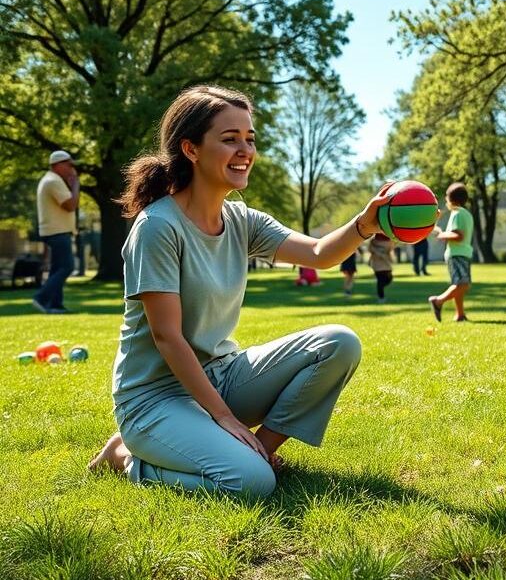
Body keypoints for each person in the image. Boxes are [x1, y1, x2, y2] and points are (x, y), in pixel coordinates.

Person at [87, 85, 391, 499]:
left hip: (222, 374)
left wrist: (363, 224)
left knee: (339, 343)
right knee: (249, 484)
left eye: (250, 139)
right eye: (229, 139)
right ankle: (127, 456)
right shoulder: (158, 226)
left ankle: (259, 450)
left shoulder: (242, 219)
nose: (244, 149)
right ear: (191, 149)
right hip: (155, 398)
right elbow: (167, 337)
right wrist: (226, 418)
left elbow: (319, 254)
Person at [33, 150, 80, 314]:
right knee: (67, 266)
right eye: (69, 165)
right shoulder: (53, 181)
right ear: (57, 165)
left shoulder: (50, 179)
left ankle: (55, 305)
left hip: (53, 231)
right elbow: (70, 205)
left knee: (57, 268)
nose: (72, 169)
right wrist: (75, 185)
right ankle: (41, 297)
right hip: (58, 231)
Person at [428, 182, 474, 323]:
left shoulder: (457, 213)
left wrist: (441, 235)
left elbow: (458, 235)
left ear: (451, 199)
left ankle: (443, 304)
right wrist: (444, 234)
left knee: (461, 284)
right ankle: (445, 305)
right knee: (461, 284)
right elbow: (459, 234)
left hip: (458, 253)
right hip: (459, 254)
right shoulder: (464, 213)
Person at [368, 233, 394, 304]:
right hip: (378, 264)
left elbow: (390, 249)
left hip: (385, 264)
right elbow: (370, 249)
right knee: (381, 281)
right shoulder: (374, 240)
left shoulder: (388, 240)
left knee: (388, 280)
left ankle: (380, 291)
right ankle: (381, 297)